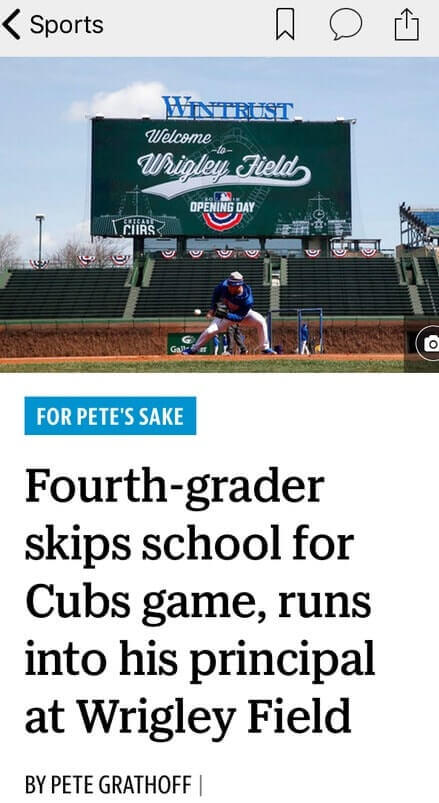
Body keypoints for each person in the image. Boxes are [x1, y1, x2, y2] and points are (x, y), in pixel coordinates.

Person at [183, 271, 275, 355]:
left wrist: (224, 314)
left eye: (231, 285)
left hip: (241, 315)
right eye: (229, 284)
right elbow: (216, 292)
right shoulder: (224, 286)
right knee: (210, 331)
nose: (229, 287)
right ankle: (193, 349)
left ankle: (265, 348)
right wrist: (212, 308)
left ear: (238, 286)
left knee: (261, 321)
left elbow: (239, 318)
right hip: (226, 313)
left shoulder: (247, 299)